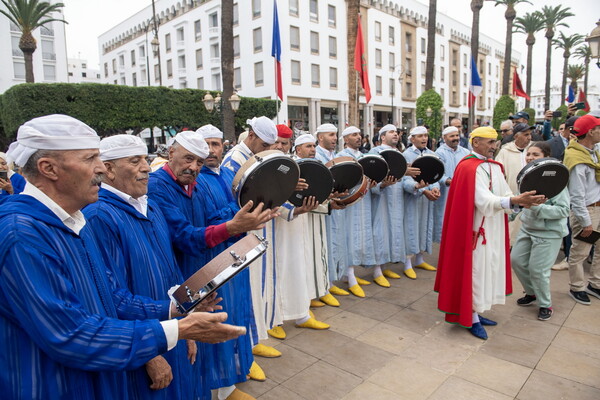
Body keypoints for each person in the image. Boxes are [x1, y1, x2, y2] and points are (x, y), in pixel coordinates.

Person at [0, 114, 246, 399]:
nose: (99, 169)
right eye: (90, 159)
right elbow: (69, 334)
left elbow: (111, 298)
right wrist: (172, 331)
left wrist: (174, 311)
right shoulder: (23, 234)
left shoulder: (72, 220)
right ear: (48, 168)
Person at [147, 129, 276, 386]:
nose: (193, 167)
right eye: (187, 159)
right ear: (170, 152)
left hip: (202, 268)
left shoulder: (194, 183)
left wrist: (239, 216)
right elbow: (184, 237)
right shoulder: (157, 186)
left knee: (206, 335)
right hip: (178, 274)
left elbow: (210, 221)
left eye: (198, 161)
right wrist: (232, 225)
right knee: (189, 343)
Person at [83, 135, 198, 399]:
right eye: (135, 161)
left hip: (171, 328)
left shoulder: (151, 206)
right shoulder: (99, 216)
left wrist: (187, 323)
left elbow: (171, 270)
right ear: (108, 169)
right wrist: (148, 355)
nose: (146, 167)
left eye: (145, 160)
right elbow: (110, 299)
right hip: (143, 345)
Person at [435, 126, 546, 339]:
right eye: (490, 142)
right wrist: (513, 201)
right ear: (475, 142)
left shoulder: (494, 166)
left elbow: (504, 192)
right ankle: (471, 317)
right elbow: (482, 200)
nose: (494, 146)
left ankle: (476, 311)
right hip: (476, 230)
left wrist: (520, 201)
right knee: (475, 272)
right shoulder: (468, 167)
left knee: (488, 269)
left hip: (494, 227)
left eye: (495, 142)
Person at [219, 117, 288, 376]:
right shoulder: (235, 159)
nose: (268, 148)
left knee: (257, 293)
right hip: (240, 234)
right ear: (250, 136)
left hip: (258, 229)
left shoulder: (257, 155)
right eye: (264, 144)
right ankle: (244, 354)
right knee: (246, 296)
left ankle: (253, 343)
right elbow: (232, 200)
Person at [194, 124, 257, 399]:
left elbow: (243, 207)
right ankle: (218, 388)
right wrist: (233, 217)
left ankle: (230, 380)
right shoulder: (195, 180)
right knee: (215, 317)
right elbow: (205, 219)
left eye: (216, 144)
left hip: (235, 254)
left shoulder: (230, 173)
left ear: (224, 146)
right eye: (205, 144)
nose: (211, 150)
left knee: (236, 311)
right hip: (211, 258)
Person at [268, 126, 330, 340]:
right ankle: (274, 319)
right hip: (274, 228)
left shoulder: (294, 166)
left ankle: (301, 314)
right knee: (279, 271)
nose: (279, 146)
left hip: (297, 224)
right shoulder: (266, 166)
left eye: (283, 143)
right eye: (275, 142)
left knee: (298, 268)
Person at [510, 141, 570, 321]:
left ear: (545, 158)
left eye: (535, 155)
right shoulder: (528, 179)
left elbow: (563, 211)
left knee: (538, 270)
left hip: (549, 233)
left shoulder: (557, 182)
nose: (530, 157)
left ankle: (545, 304)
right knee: (517, 261)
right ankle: (532, 293)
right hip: (528, 228)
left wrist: (536, 208)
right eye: (528, 154)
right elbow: (520, 204)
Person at [336, 126, 378, 297]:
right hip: (348, 204)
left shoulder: (365, 156)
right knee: (349, 238)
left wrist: (374, 184)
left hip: (364, 203)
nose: (358, 137)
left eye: (359, 134)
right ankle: (351, 276)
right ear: (345, 139)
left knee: (360, 237)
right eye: (354, 135)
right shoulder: (341, 157)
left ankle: (349, 274)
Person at [563, 114, 600, 305]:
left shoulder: (593, 152)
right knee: (580, 252)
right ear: (591, 132)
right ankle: (576, 287)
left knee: (599, 249)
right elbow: (577, 195)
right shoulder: (576, 157)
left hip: (598, 209)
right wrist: (586, 221)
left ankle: (595, 283)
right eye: (598, 128)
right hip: (587, 211)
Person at [369, 124, 412, 280]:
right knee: (380, 232)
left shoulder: (400, 154)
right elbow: (370, 177)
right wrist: (383, 184)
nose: (395, 134)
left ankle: (385, 265)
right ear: (382, 136)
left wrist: (417, 186)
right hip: (381, 199)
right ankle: (377, 270)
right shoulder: (374, 152)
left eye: (396, 132)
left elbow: (406, 178)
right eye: (391, 132)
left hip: (397, 198)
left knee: (393, 231)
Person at [314, 123, 350, 298]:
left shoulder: (336, 156)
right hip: (322, 210)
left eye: (336, 135)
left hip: (336, 206)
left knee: (336, 243)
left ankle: (331, 281)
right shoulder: (316, 157)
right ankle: (323, 285)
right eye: (330, 135)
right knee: (323, 246)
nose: (335, 138)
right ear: (320, 137)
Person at [401, 126, 440, 279]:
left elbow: (437, 175)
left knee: (424, 227)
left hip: (427, 199)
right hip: (413, 198)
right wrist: (421, 189)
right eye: (420, 136)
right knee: (411, 228)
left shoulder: (432, 154)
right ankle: (407, 263)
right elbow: (405, 179)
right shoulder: (406, 155)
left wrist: (435, 189)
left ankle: (420, 259)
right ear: (412, 139)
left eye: (425, 135)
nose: (424, 138)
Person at [496, 122, 534, 245]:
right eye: (525, 134)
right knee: (512, 232)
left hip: (532, 196)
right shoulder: (505, 151)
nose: (529, 137)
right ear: (516, 136)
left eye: (530, 134)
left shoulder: (533, 150)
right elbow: (499, 175)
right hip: (513, 197)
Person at [433, 126, 470, 243]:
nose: (455, 138)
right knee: (445, 222)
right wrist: (449, 181)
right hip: (446, 194)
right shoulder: (439, 153)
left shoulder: (466, 152)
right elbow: (437, 174)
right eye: (452, 136)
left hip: (463, 192)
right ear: (444, 138)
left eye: (457, 135)